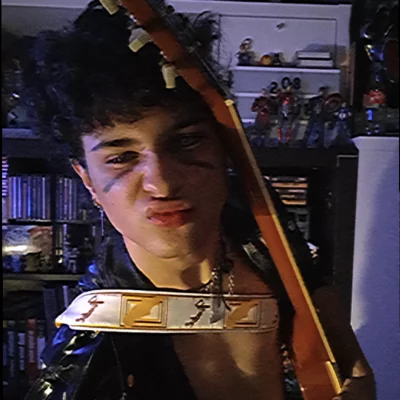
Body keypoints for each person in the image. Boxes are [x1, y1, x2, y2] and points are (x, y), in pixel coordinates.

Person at [22, 2, 375, 399]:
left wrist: (355, 368)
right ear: (88, 180)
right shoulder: (93, 357)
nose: (163, 184)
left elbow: (309, 283)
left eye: (187, 141)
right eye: (121, 158)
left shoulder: (254, 216)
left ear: (224, 148)